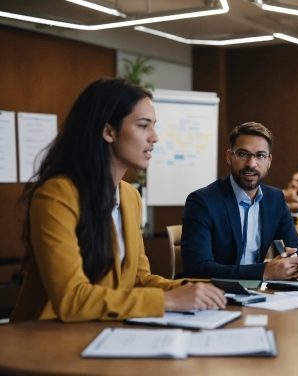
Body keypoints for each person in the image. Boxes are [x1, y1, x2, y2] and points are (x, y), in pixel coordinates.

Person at [10, 78, 226, 323]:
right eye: (143, 126)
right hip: (44, 340)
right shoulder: (57, 194)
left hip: (101, 333)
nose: (154, 137)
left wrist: (206, 288)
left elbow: (139, 280)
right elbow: (71, 299)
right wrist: (169, 300)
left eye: (154, 126)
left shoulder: (129, 196)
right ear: (108, 131)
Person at [181, 122, 298, 280]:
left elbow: (295, 253)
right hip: (214, 294)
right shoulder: (202, 202)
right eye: (243, 154)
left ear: (269, 161)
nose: (251, 164)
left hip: (261, 294)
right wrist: (264, 271)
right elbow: (197, 268)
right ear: (229, 156)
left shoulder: (276, 200)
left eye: (260, 155)